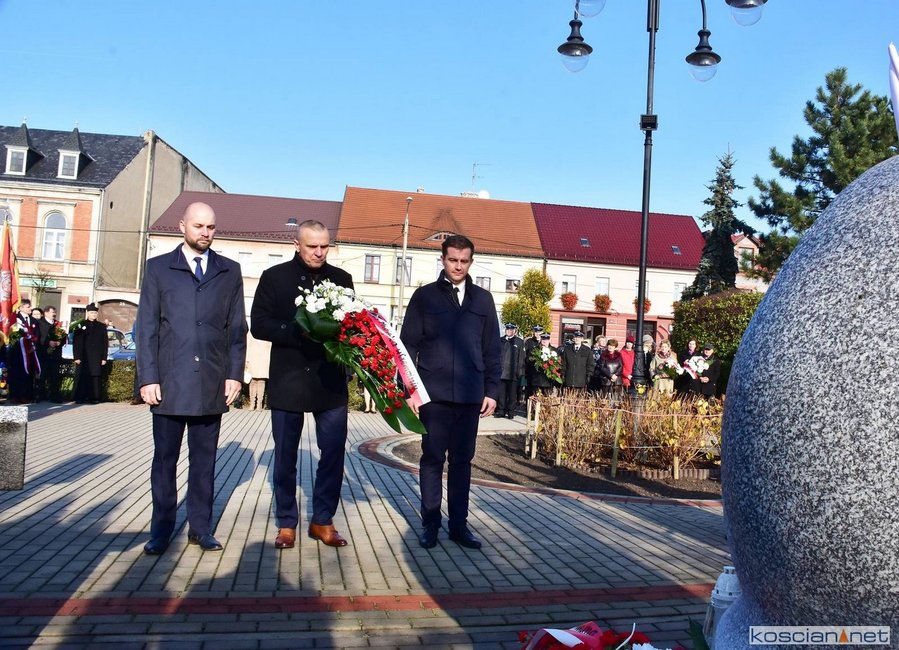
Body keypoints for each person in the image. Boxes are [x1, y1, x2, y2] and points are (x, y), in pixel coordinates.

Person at [137, 201, 247, 555]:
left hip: (211, 383)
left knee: (204, 463)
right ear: (182, 226)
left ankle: (201, 528)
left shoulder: (229, 271)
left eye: (211, 227)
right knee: (164, 461)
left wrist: (234, 375)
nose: (205, 233)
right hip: (169, 383)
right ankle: (161, 530)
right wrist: (148, 378)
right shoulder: (158, 269)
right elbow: (147, 328)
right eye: (198, 226)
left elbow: (236, 329)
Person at [251, 219, 354, 550]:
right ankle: (286, 522)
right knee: (285, 456)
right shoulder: (274, 277)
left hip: (330, 383)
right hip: (289, 380)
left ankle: (323, 519)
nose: (319, 252)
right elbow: (259, 325)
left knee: (333, 452)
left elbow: (352, 324)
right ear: (297, 245)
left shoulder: (342, 279)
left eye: (325, 246)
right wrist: (297, 330)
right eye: (312, 246)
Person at [401, 234, 501, 550]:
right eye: (453, 260)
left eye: (464, 261)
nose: (458, 266)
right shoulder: (424, 297)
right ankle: (430, 524)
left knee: (462, 461)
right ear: (442, 259)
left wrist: (492, 390)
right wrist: (409, 390)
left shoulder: (483, 300)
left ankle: (459, 526)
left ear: (471, 261)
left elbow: (492, 349)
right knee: (432, 458)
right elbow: (407, 346)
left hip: (471, 395)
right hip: (434, 394)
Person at [73, 303, 107, 404]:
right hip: (83, 355)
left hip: (96, 355)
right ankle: (80, 397)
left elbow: (105, 343)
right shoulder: (80, 325)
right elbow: (76, 342)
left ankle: (94, 397)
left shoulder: (101, 326)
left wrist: (104, 357)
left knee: (95, 376)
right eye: (92, 313)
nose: (94, 315)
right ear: (87, 313)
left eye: (95, 313)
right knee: (82, 376)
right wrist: (76, 356)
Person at [8, 299, 40, 404]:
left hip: (30, 352)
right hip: (18, 352)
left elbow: (37, 335)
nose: (30, 308)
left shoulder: (34, 321)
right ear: (21, 307)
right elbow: (12, 335)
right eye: (28, 306)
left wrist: (33, 347)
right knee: (16, 374)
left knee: (28, 374)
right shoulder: (15, 319)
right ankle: (14, 396)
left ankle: (26, 395)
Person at [497, 323, 525, 418]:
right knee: (501, 393)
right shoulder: (500, 340)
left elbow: (521, 358)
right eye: (508, 329)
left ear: (514, 331)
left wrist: (519, 372)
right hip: (502, 371)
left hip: (513, 372)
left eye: (511, 329)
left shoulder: (519, 342)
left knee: (512, 394)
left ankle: (511, 412)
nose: (509, 331)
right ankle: (501, 411)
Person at [35, 306, 63, 402]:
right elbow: (38, 337)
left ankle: (54, 396)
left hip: (55, 354)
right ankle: (39, 395)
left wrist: (59, 342)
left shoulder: (57, 324)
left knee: (54, 376)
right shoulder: (39, 323)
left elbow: (62, 336)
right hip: (43, 353)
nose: (54, 314)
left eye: (55, 312)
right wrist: (48, 342)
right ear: (46, 313)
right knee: (42, 375)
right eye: (52, 312)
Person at [245, 333, 271, 411]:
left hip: (264, 360)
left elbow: (270, 347)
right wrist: (246, 360)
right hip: (252, 359)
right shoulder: (250, 333)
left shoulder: (267, 333)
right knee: (252, 382)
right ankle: (252, 403)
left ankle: (259, 404)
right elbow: (247, 346)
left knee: (261, 382)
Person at [523, 325, 544, 401]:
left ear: (542, 332)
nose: (537, 333)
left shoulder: (544, 341)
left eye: (539, 332)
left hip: (541, 373)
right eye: (536, 332)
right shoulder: (529, 342)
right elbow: (525, 355)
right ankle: (528, 406)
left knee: (540, 393)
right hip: (530, 371)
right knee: (529, 391)